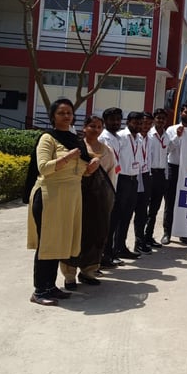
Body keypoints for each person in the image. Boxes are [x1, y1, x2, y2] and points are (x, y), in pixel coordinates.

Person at [27, 99, 100, 305]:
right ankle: (39, 291)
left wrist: (90, 168)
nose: (66, 116)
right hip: (50, 196)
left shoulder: (76, 139)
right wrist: (66, 157)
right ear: (53, 116)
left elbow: (80, 171)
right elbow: (43, 167)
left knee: (59, 242)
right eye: (61, 113)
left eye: (69, 113)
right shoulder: (47, 138)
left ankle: (50, 286)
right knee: (47, 243)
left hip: (70, 198)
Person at [61, 114, 115, 290]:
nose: (95, 130)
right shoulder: (75, 147)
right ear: (84, 127)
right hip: (76, 196)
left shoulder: (107, 151)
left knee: (95, 233)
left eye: (99, 127)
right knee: (73, 234)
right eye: (92, 126)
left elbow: (111, 174)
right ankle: (69, 275)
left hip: (98, 199)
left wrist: (109, 198)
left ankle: (88, 272)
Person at [105, 111, 144, 260]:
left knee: (127, 215)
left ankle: (121, 247)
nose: (138, 125)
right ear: (128, 122)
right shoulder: (120, 136)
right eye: (135, 122)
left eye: (140, 123)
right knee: (116, 216)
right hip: (121, 179)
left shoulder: (139, 138)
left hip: (133, 179)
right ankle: (109, 251)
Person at [162, 103, 187, 244]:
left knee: (185, 203)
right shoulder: (171, 129)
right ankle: (167, 233)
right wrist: (178, 136)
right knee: (170, 201)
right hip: (173, 167)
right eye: (186, 112)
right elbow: (167, 149)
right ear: (181, 113)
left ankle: (183, 233)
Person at [98, 107, 123, 267]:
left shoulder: (117, 137)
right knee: (104, 224)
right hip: (105, 185)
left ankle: (108, 254)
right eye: (112, 119)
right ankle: (101, 257)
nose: (116, 122)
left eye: (118, 119)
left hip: (116, 181)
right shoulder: (103, 139)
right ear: (105, 121)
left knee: (113, 222)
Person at [145, 108, 169, 248]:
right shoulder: (148, 135)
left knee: (154, 209)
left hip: (161, 175)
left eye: (163, 119)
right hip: (150, 174)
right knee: (144, 208)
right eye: (158, 118)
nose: (161, 121)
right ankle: (141, 238)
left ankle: (149, 236)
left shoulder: (167, 136)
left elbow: (169, 152)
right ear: (154, 119)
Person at [132, 112, 154, 255]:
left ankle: (139, 241)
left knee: (142, 211)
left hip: (146, 175)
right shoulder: (134, 138)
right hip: (134, 174)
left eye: (149, 124)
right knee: (127, 211)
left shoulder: (150, 139)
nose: (146, 126)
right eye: (144, 123)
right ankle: (117, 245)